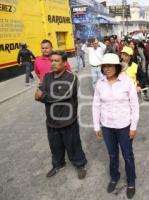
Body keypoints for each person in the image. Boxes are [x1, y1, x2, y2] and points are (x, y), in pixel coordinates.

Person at [92, 53, 139, 199]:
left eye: (110, 66)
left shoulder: (127, 82)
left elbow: (134, 105)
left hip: (124, 126)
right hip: (107, 126)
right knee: (112, 155)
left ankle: (131, 181)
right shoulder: (100, 83)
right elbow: (96, 105)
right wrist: (96, 126)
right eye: (104, 66)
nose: (106, 69)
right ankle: (114, 177)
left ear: (117, 67)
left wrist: (133, 127)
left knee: (128, 155)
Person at [35, 50, 87, 179]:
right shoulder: (47, 76)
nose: (53, 63)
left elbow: (62, 96)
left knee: (73, 144)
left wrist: (44, 96)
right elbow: (38, 93)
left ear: (65, 63)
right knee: (55, 146)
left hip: (68, 120)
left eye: (56, 61)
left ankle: (79, 164)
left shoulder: (72, 78)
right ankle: (58, 164)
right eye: (51, 61)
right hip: (51, 120)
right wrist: (43, 96)